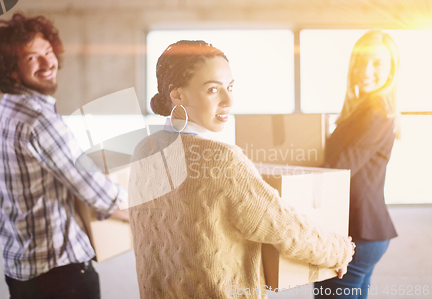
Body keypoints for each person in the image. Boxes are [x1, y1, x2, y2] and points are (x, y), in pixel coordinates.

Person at [127, 40, 355, 298]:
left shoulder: (143, 150)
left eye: (230, 87)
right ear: (178, 95)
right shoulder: (221, 160)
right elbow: (285, 227)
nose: (229, 100)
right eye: (213, 89)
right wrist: (340, 250)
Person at [0, 13, 127, 299]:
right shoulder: (40, 120)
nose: (48, 63)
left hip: (20, 269)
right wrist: (143, 212)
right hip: (60, 273)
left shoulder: (6, 109)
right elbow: (98, 193)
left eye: (48, 52)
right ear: (11, 69)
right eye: (33, 58)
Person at [314, 29, 400, 299]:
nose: (367, 70)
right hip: (365, 232)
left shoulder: (376, 110)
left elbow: (339, 167)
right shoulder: (366, 108)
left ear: (391, 70)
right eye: (361, 61)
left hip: (356, 234)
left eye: (377, 63)